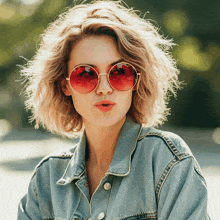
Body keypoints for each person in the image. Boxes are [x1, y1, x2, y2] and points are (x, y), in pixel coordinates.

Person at [17, 0, 211, 219]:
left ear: (137, 80)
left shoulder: (168, 160)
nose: (104, 88)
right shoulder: (46, 180)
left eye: (119, 72)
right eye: (86, 74)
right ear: (65, 85)